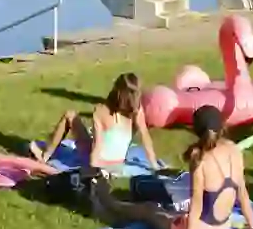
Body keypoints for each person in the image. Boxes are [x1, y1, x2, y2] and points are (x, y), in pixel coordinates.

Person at [89, 104, 253, 229]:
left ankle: (110, 204)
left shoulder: (200, 159)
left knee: (149, 209)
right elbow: (242, 194)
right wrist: (252, 227)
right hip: (223, 228)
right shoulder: (234, 150)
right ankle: (113, 204)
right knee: (170, 211)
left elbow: (196, 207)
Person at [29, 72, 159, 174]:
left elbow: (95, 155)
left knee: (70, 115)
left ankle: (45, 156)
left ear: (117, 91)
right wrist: (154, 165)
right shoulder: (137, 111)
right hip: (119, 159)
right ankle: (46, 154)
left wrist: (96, 167)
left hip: (101, 161)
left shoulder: (101, 111)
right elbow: (146, 138)